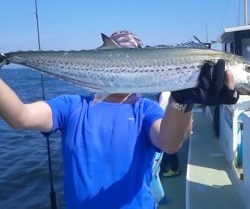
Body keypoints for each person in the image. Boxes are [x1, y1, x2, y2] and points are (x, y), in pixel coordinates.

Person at [0, 30, 239, 209]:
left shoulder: (145, 110)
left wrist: (183, 100)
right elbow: (20, 117)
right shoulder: (72, 107)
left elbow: (170, 143)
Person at [158, 91, 181, 178]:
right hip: (174, 121)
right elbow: (179, 107)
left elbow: (160, 109)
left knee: (169, 145)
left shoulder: (164, 94)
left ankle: (175, 169)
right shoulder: (173, 94)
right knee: (172, 145)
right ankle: (174, 167)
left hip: (167, 122)